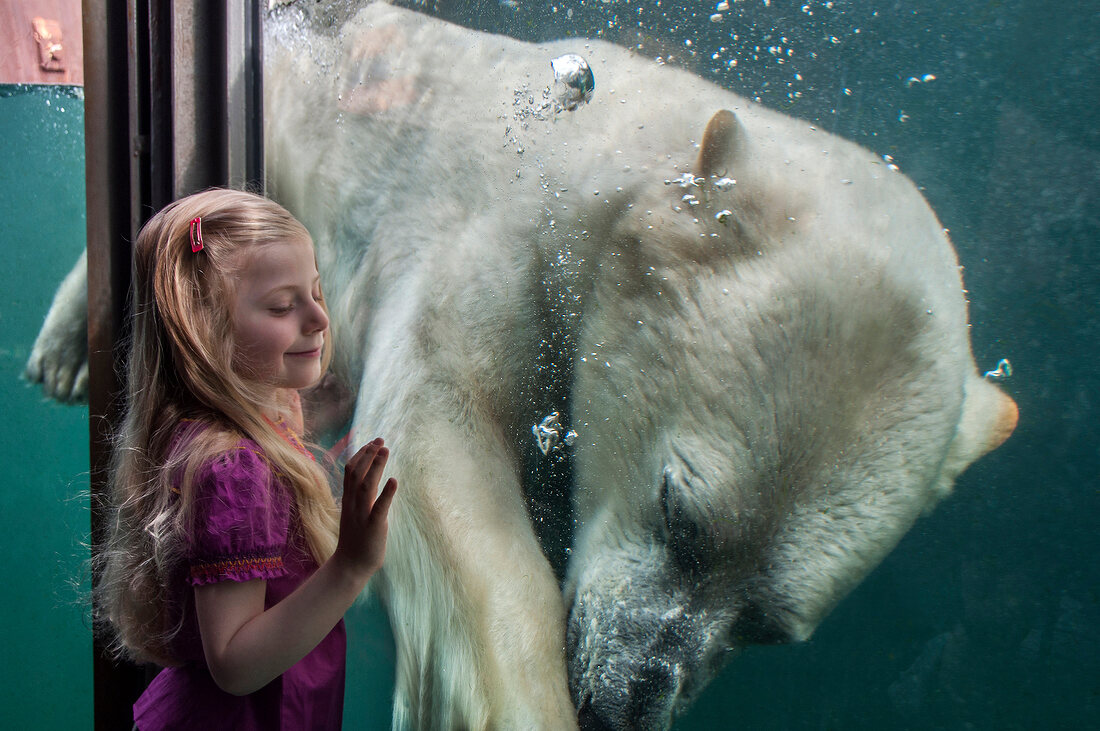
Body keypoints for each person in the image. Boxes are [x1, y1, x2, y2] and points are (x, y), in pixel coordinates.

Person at [94, 188, 397, 729]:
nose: (318, 319)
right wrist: (351, 565)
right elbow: (234, 664)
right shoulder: (233, 470)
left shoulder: (219, 433)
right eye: (283, 305)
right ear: (205, 329)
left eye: (317, 292)